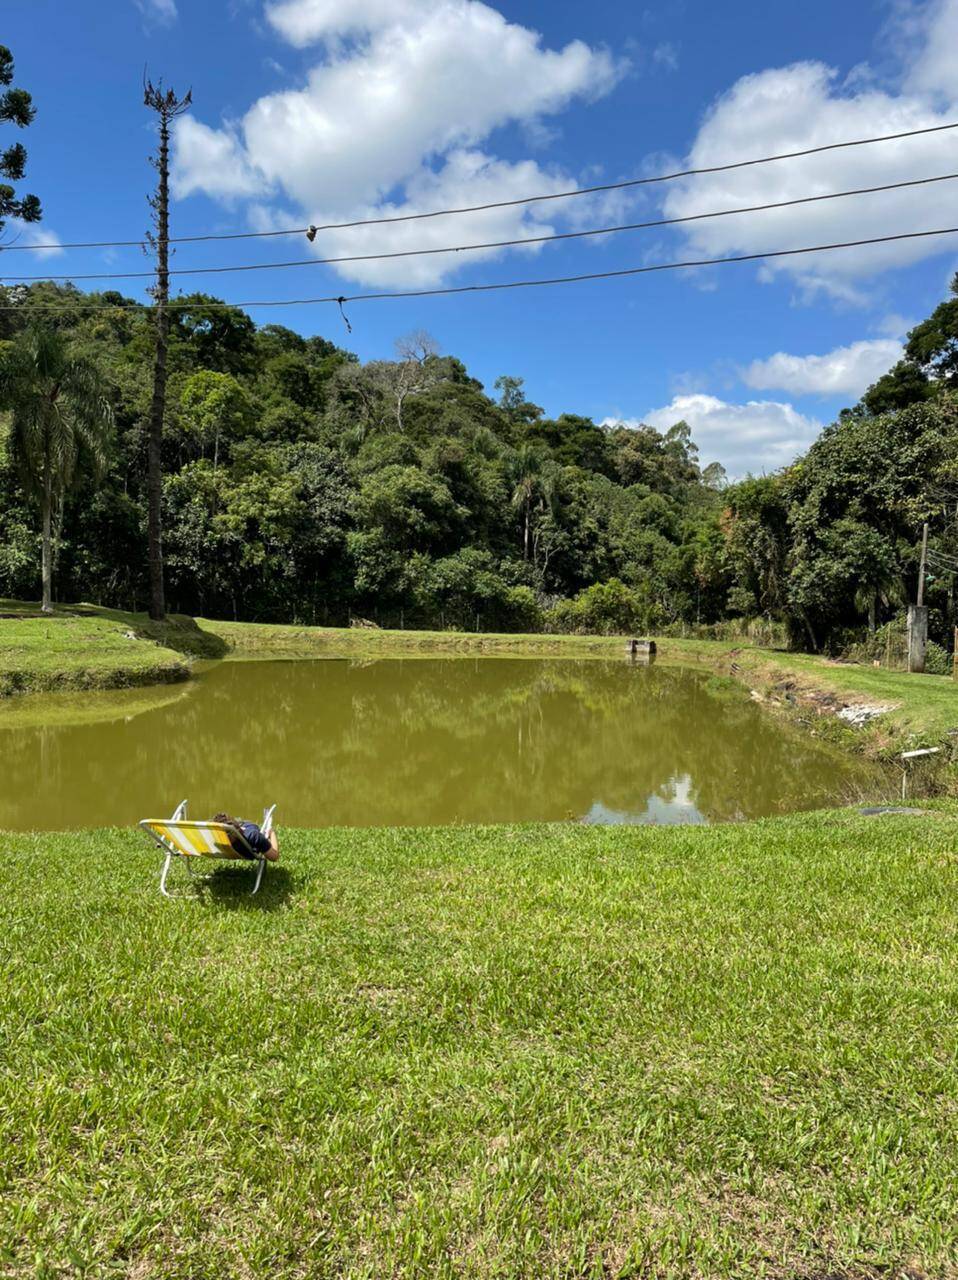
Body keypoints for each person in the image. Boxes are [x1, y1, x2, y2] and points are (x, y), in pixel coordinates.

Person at [213, 813, 280, 862]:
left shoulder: (214, 838)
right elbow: (274, 857)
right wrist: (272, 832)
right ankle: (269, 831)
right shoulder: (253, 836)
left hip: (243, 828)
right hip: (248, 830)